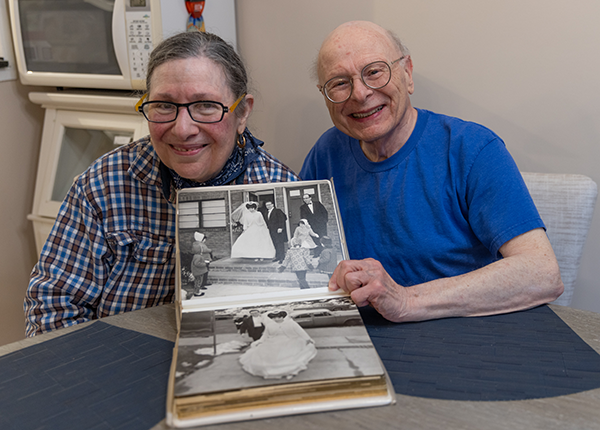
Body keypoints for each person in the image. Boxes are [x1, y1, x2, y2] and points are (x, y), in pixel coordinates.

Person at [24, 31, 299, 337]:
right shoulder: (104, 185)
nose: (183, 129)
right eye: (164, 106)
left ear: (242, 112)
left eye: (205, 105)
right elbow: (53, 305)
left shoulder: (280, 184)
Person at [300, 20, 563, 323]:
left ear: (407, 73)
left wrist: (406, 300)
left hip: (463, 337)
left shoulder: (472, 148)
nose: (359, 94)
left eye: (374, 71)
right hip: (365, 336)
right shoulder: (325, 153)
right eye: (339, 83)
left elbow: (541, 273)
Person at [239, 310, 317, 380]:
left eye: (278, 317)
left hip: (291, 340)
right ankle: (270, 368)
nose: (276, 319)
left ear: (283, 317)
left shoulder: (291, 323)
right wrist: (260, 341)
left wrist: (308, 339)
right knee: (264, 351)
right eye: (274, 318)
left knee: (286, 352)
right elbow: (265, 335)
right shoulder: (270, 325)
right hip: (273, 340)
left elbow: (300, 332)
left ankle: (287, 369)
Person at [190, 232, 212, 297]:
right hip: (198, 272)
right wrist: (204, 264)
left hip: (198, 271)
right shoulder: (198, 256)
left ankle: (197, 291)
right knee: (198, 282)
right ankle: (197, 292)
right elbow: (197, 264)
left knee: (198, 282)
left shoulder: (197, 254)